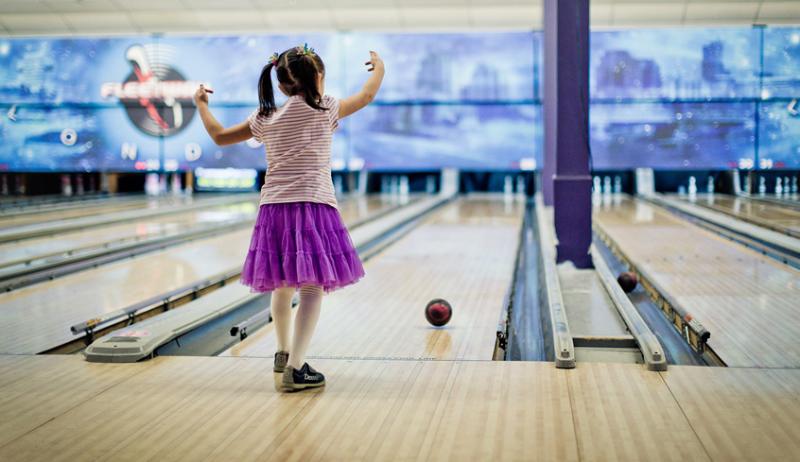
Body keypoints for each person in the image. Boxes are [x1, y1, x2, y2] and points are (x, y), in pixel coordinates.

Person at [193, 44, 385, 391]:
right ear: (320, 78)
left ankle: (282, 353)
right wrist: (380, 69)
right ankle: (296, 369)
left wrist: (201, 105)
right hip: (313, 205)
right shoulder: (326, 107)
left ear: (280, 86)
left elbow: (219, 136)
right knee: (312, 287)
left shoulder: (264, 117)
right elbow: (367, 95)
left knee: (282, 284)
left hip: (273, 209)